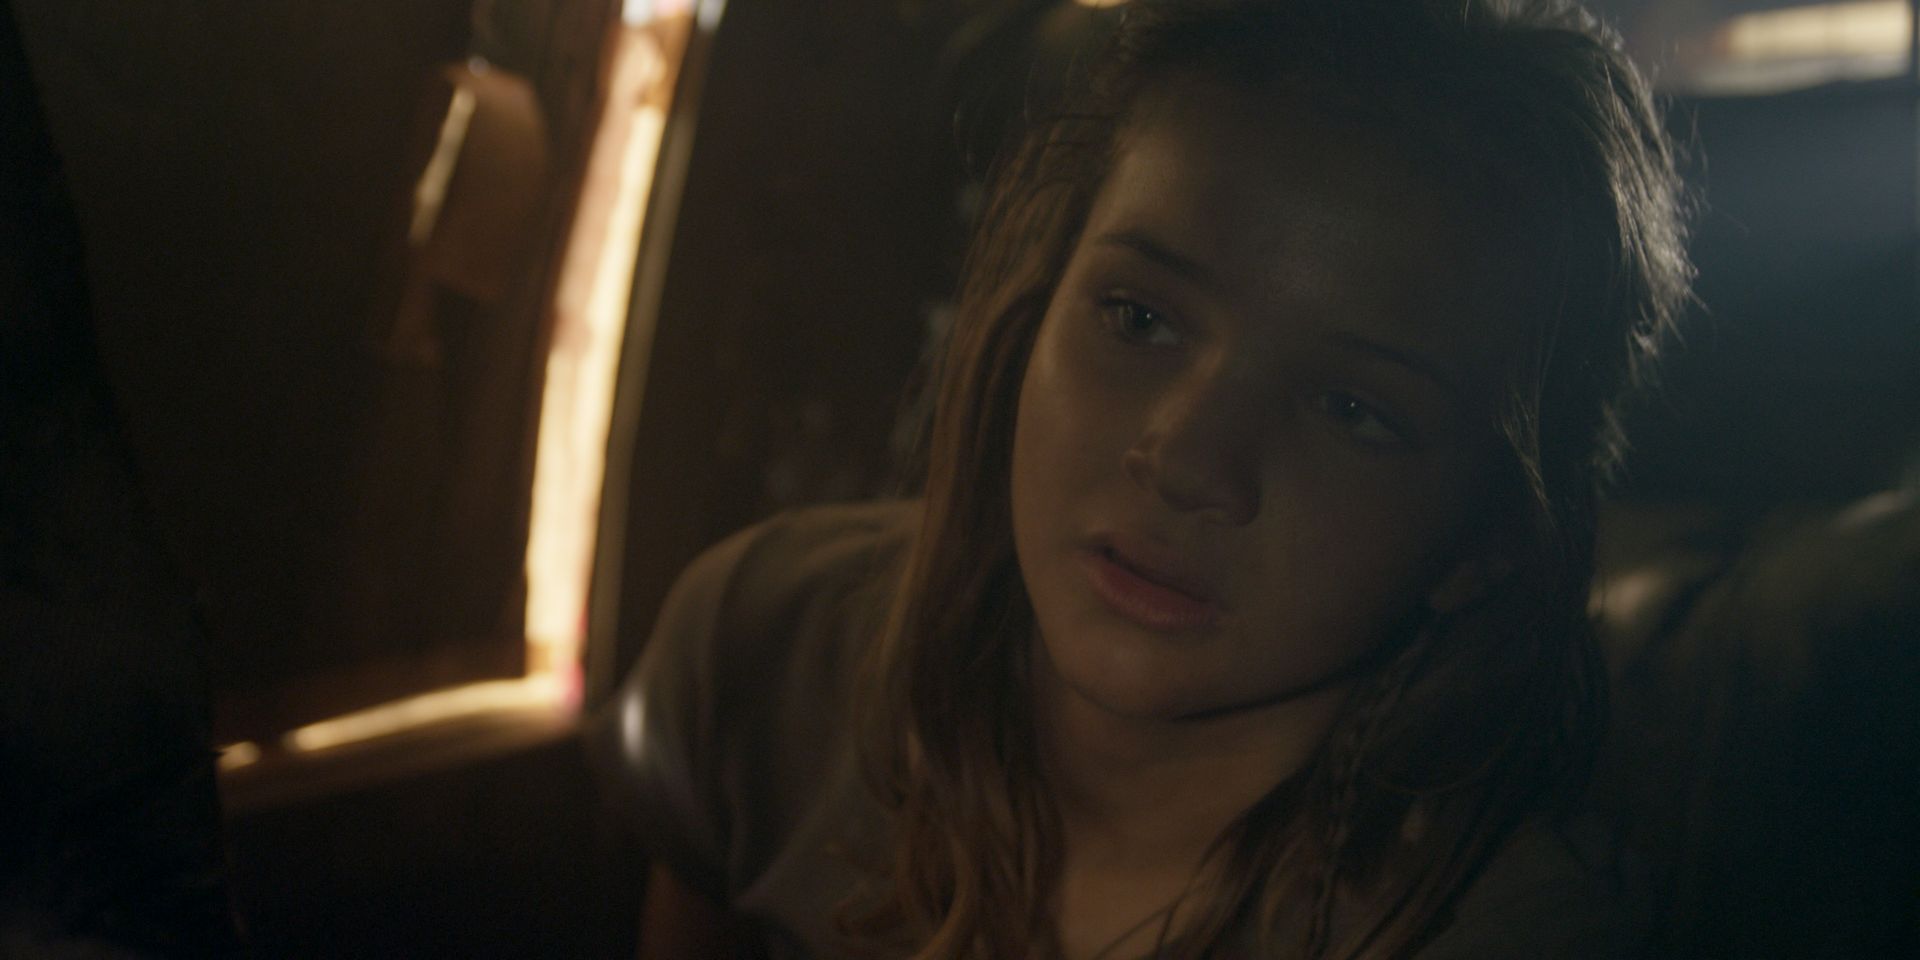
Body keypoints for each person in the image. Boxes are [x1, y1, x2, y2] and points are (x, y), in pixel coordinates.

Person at [594, 0, 1692, 956]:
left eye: (1353, 411)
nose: (1184, 459)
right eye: (1138, 317)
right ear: (1034, 308)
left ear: (1486, 540)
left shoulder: (1507, 925)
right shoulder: (774, 650)